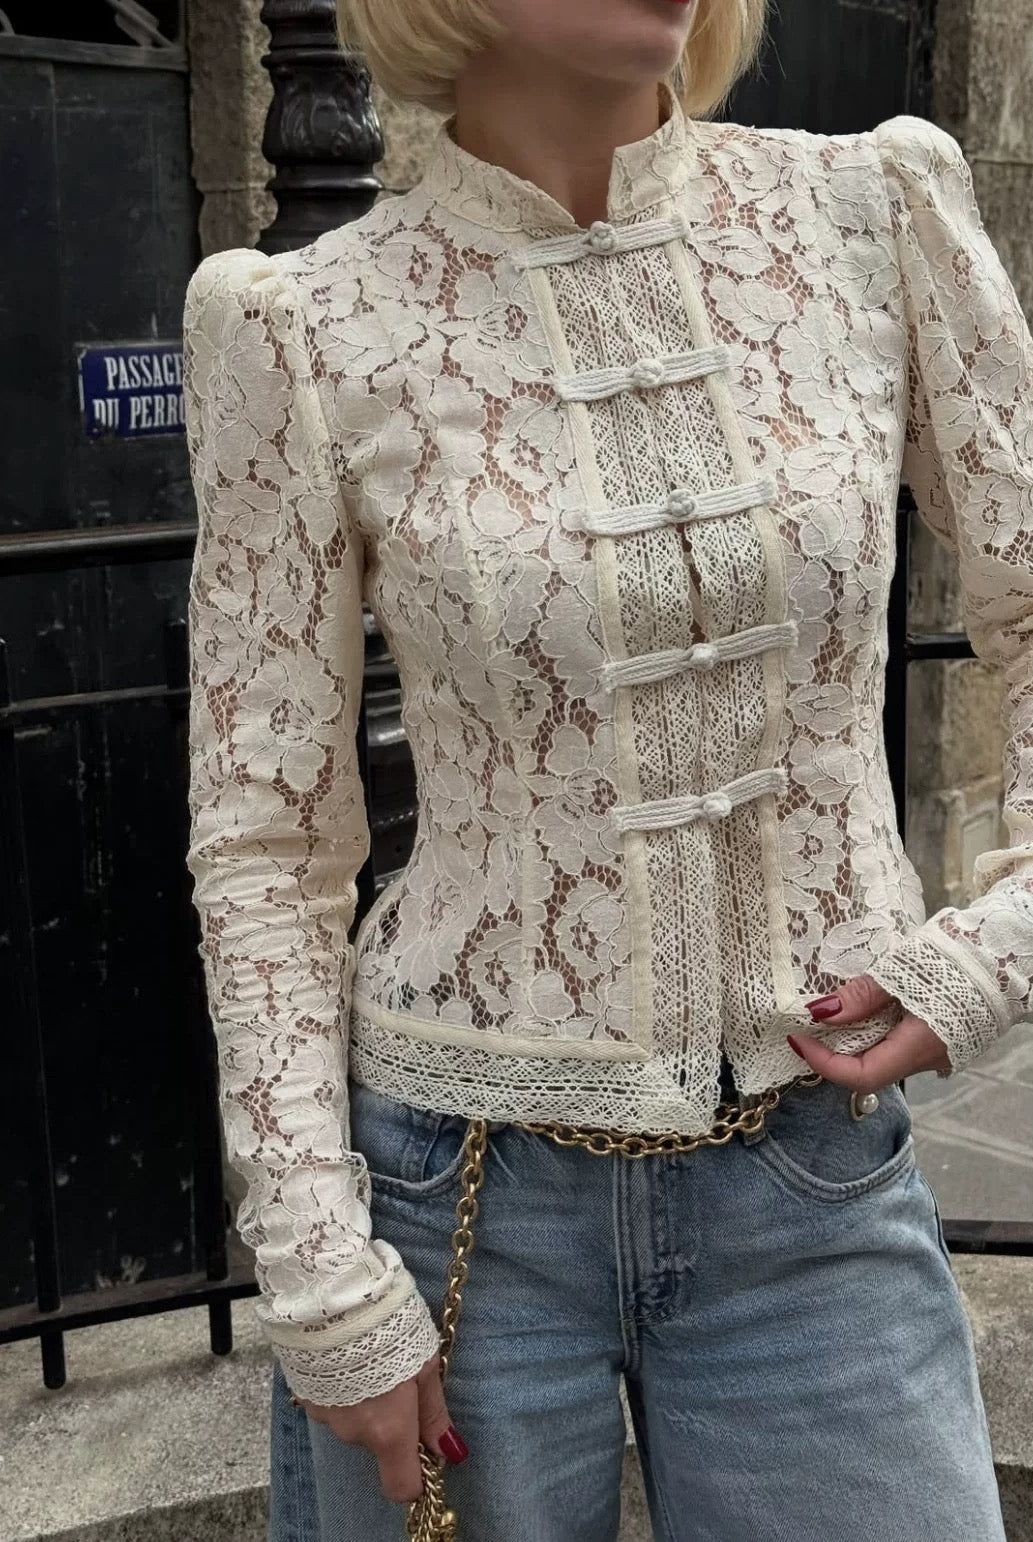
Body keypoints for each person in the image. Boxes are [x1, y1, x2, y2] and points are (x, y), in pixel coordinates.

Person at [181, 0, 1029, 1536]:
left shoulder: (869, 209)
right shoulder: (303, 322)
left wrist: (1000, 941)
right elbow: (266, 834)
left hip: (813, 1179)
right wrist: (316, 1266)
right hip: (455, 1200)